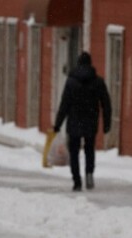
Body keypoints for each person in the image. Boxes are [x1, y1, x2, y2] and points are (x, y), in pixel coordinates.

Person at [53, 52, 112, 191]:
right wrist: (107, 123)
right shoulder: (98, 81)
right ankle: (89, 173)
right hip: (91, 121)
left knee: (74, 152)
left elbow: (64, 104)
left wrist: (57, 124)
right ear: (90, 64)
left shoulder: (71, 82)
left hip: (74, 121)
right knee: (89, 149)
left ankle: (77, 180)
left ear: (78, 64)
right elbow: (106, 103)